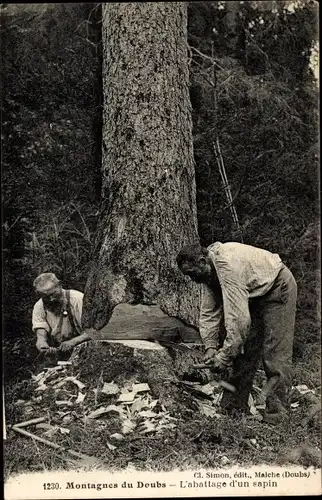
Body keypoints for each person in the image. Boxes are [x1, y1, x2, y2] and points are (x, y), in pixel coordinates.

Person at [176, 241, 297, 424]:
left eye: (192, 274)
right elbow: (209, 312)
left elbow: (238, 320)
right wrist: (210, 347)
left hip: (278, 287)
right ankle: (233, 408)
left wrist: (223, 357)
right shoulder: (208, 273)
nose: (192, 280)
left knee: (275, 354)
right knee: (243, 352)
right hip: (256, 293)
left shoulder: (227, 267)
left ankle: (277, 415)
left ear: (202, 261)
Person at [32, 273, 91, 357]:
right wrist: (43, 346)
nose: (51, 299)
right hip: (60, 354)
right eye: (46, 297)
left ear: (59, 285)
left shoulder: (77, 299)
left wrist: (73, 342)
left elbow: (94, 331)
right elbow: (41, 336)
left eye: (53, 294)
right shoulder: (39, 307)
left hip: (85, 351)